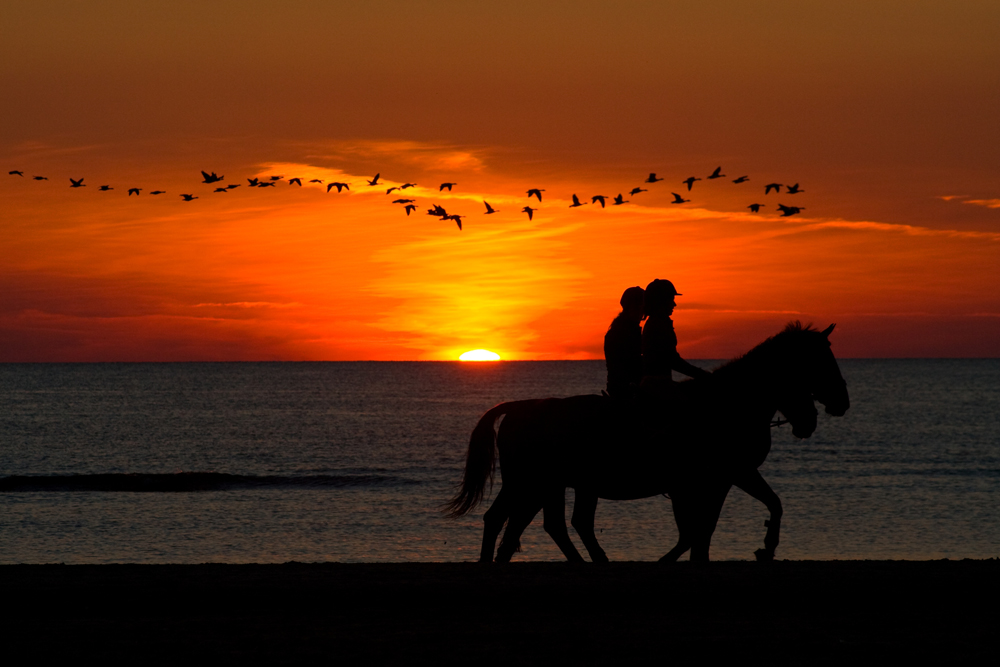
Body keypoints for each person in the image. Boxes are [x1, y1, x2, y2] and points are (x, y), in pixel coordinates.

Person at [641, 279, 710, 395]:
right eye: (671, 300)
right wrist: (703, 375)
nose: (674, 304)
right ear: (661, 301)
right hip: (658, 388)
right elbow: (672, 360)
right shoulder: (658, 325)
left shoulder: (656, 323)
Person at [604, 286, 645, 399]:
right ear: (634, 307)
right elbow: (630, 364)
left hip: (622, 386)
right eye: (642, 305)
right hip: (625, 389)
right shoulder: (624, 332)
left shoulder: (625, 329)